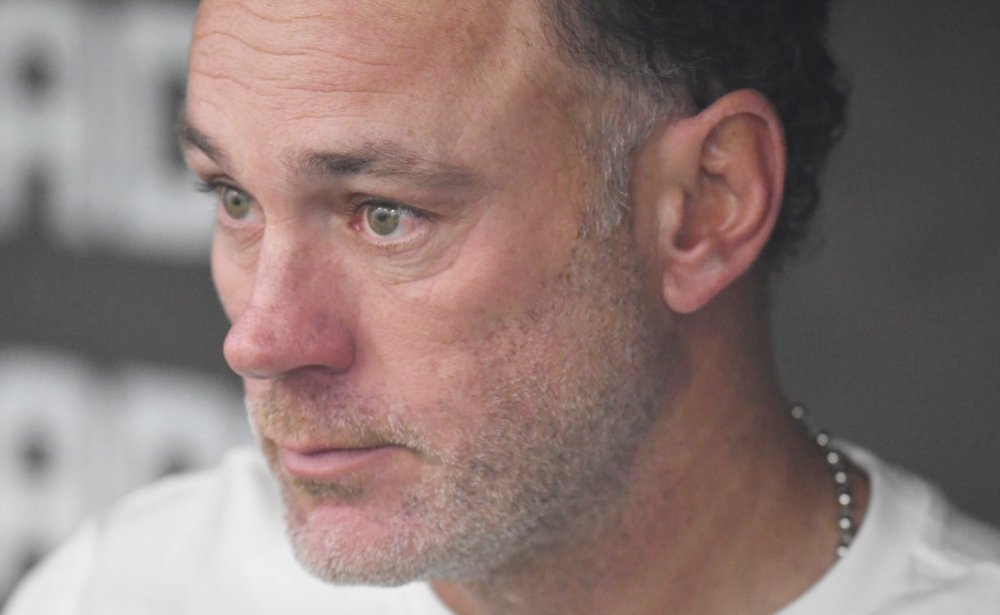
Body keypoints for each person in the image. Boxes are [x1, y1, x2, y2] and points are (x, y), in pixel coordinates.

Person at [7, 0, 1000, 613]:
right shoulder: (129, 589)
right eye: (234, 200)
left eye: (384, 214)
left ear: (704, 206)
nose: (258, 341)